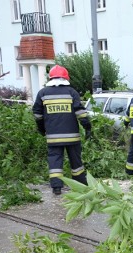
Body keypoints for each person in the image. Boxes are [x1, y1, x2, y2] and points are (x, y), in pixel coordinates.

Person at [32, 65, 91, 195]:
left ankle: (57, 187)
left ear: (50, 78)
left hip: (53, 136)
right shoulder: (71, 92)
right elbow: (80, 112)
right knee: (76, 161)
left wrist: (41, 129)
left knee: (55, 160)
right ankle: (80, 184)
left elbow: (37, 114)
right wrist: (87, 127)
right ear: (66, 77)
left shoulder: (42, 93)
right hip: (72, 136)